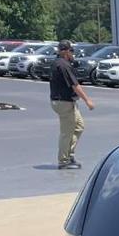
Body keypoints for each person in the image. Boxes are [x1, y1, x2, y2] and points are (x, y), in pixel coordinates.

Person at [50, 40, 94, 169]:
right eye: (71, 51)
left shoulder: (59, 63)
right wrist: (88, 101)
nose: (72, 53)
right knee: (66, 132)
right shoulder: (63, 65)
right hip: (63, 102)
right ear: (65, 51)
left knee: (79, 126)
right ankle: (63, 161)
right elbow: (75, 85)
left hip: (65, 101)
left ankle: (69, 154)